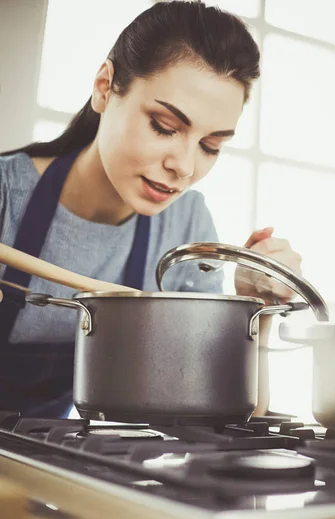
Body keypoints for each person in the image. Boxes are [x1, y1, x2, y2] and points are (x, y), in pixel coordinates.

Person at [0, 1, 301, 418]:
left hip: (52, 468)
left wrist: (254, 311)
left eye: (210, 145)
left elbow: (231, 414)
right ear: (105, 87)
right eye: (164, 126)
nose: (185, 166)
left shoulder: (187, 227)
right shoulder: (5, 194)